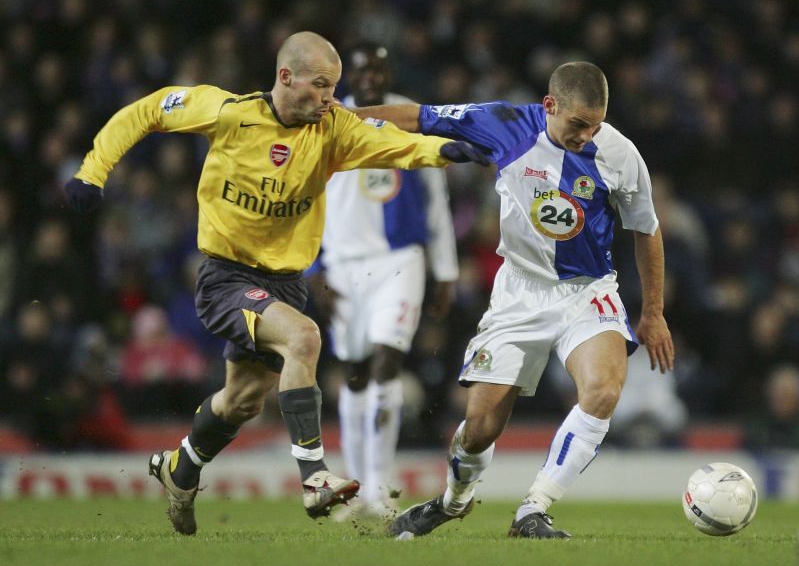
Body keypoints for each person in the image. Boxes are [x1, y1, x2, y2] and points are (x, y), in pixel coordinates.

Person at [64, 31, 489, 535]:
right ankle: (313, 478)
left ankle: (181, 468)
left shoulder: (332, 130)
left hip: (286, 283)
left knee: (240, 401)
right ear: (286, 78)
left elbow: (395, 146)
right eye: (322, 85)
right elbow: (148, 110)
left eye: (335, 87)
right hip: (227, 276)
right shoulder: (226, 112)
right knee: (304, 337)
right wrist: (92, 173)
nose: (331, 97)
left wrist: (455, 150)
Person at [351, 61, 674, 539]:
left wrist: (652, 312)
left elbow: (646, 230)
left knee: (604, 390)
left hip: (587, 290)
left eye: (596, 123)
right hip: (518, 291)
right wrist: (341, 116)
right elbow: (419, 117)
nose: (587, 135)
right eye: (578, 124)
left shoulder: (620, 154)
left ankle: (534, 509)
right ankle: (452, 501)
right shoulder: (503, 124)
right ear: (550, 105)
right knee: (479, 427)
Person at [307, 42, 459, 519]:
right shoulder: (322, 126)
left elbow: (435, 197)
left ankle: (378, 485)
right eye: (361, 70)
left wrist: (446, 271)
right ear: (344, 77)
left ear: (387, 72)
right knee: (353, 374)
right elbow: (304, 200)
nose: (370, 77)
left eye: (378, 69)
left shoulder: (407, 117)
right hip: (343, 267)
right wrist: (313, 271)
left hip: (400, 261)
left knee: (386, 363)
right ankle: (356, 483)